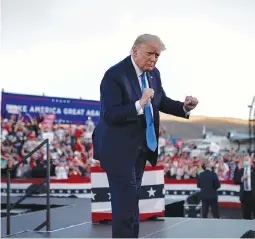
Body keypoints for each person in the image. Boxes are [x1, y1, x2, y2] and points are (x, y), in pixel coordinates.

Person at [92, 34, 198, 238]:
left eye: (157, 56)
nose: (154, 59)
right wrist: (139, 104)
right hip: (117, 149)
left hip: (140, 148)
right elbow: (110, 114)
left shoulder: (154, 74)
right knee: (125, 202)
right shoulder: (114, 75)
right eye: (150, 54)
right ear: (135, 51)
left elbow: (161, 100)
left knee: (132, 201)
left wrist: (183, 107)